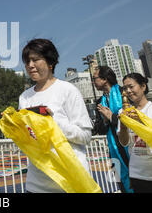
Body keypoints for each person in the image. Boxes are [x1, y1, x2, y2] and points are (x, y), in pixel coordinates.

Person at [18, 38, 93, 193]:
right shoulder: (24, 97)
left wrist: (53, 123)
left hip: (70, 183)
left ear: (50, 62)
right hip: (36, 185)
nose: (30, 65)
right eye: (27, 61)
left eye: (35, 59)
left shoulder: (67, 90)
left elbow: (85, 136)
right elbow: (28, 140)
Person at [93, 66, 132, 193]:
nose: (93, 82)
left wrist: (111, 118)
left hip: (130, 145)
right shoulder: (100, 102)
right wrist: (105, 120)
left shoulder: (124, 93)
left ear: (104, 79)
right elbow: (99, 129)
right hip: (112, 147)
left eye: (95, 79)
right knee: (119, 178)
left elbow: (132, 116)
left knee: (136, 177)